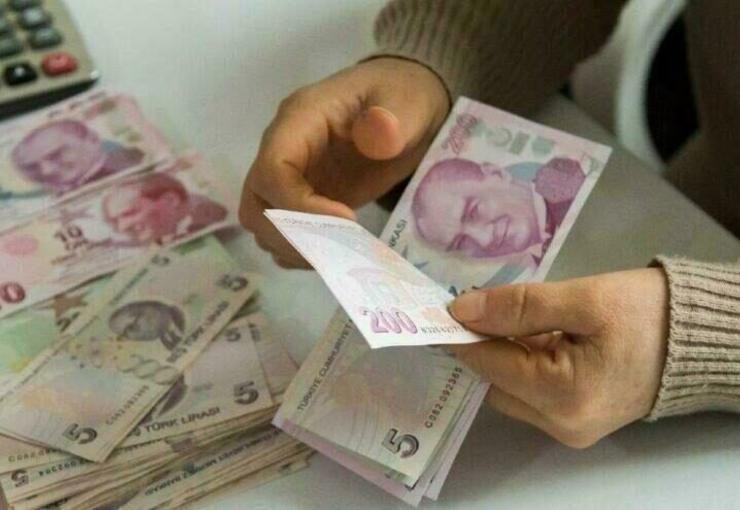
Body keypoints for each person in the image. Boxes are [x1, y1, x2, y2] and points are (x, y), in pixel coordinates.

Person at [239, 0, 740, 448]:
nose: (482, 237)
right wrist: (434, 60)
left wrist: (702, 337)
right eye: (461, 235)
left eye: (473, 215)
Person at [11, 119, 144, 195]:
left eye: (56, 154)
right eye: (32, 166)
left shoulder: (140, 162)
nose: (47, 171)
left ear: (93, 140)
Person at [102, 172, 227, 246]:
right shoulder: (174, 233)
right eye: (116, 221)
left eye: (129, 213)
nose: (122, 227)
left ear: (170, 200)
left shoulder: (210, 221)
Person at [108, 300, 186, 351]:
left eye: (131, 326)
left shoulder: (183, 313)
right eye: (125, 335)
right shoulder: (169, 345)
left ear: (149, 305)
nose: (132, 333)